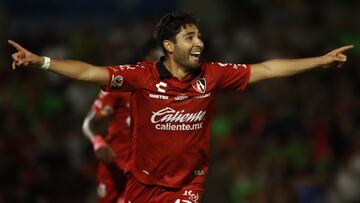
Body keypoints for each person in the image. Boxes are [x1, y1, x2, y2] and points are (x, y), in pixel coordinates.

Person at [9, 12, 353, 203]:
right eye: (190, 37)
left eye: (199, 36)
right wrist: (42, 61)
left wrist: (319, 61)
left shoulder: (213, 75)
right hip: (142, 184)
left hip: (189, 184)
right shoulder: (140, 77)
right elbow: (87, 71)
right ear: (169, 46)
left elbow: (266, 69)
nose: (199, 42)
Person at [82, 39, 162, 203]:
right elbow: (88, 123)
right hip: (113, 166)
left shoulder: (173, 92)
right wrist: (98, 142)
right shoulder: (121, 84)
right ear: (146, 59)